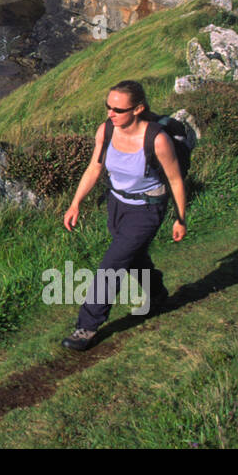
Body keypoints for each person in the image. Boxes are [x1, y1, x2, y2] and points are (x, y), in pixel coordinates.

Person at [59, 80, 187, 351]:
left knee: (112, 264)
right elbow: (94, 168)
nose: (110, 114)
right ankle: (156, 292)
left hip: (147, 209)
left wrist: (180, 218)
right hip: (116, 204)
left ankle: (87, 327)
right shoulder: (106, 131)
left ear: (138, 109)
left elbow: (175, 180)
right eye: (108, 107)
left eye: (118, 109)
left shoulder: (157, 140)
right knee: (132, 255)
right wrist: (75, 204)